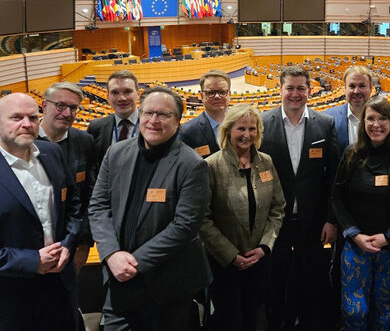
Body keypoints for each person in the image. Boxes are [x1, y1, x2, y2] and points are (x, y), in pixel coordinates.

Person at [89, 86, 212, 330]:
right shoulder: (116, 153)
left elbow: (185, 226)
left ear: (177, 121)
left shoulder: (192, 164)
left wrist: (134, 262)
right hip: (119, 278)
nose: (153, 121)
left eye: (163, 115)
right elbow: (98, 207)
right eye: (148, 113)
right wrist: (112, 254)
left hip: (167, 284)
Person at [332, 96, 390, 331]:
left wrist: (389, 236)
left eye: (383, 118)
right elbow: (337, 198)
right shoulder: (352, 154)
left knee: (383, 310)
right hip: (357, 245)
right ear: (363, 122)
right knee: (354, 310)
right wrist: (354, 234)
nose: (376, 124)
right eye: (370, 118)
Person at [260, 65, 340, 331]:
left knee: (311, 281)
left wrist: (331, 220)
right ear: (280, 89)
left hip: (313, 222)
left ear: (309, 90)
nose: (295, 94)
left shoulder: (325, 124)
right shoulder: (262, 123)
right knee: (275, 281)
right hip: (274, 222)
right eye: (290, 88)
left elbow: (333, 178)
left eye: (301, 88)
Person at [0, 93, 82, 331]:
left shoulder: (52, 153)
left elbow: (73, 207)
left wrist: (67, 244)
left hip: (60, 288)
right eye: (16, 117)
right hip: (11, 297)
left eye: (32, 117)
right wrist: (32, 261)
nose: (26, 124)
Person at [200, 104, 286, 331]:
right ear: (228, 130)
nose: (247, 134)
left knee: (254, 319)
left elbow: (278, 209)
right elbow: (203, 219)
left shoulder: (266, 162)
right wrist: (232, 256)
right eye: (241, 129)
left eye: (252, 128)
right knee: (229, 321)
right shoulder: (211, 165)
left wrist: (264, 247)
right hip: (225, 264)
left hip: (260, 261)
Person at [39, 82, 98, 269]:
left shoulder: (85, 142)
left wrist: (83, 240)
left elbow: (90, 194)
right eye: (60, 105)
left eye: (73, 108)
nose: (67, 113)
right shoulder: (23, 139)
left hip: (72, 243)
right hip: (32, 245)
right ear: (44, 106)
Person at [87, 70, 140, 168]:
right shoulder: (96, 127)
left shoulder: (152, 124)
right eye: (115, 93)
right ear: (108, 98)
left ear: (138, 94)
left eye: (127, 91)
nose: (122, 98)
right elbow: (92, 166)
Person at [181, 69, 231, 158]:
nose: (217, 96)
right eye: (210, 92)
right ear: (202, 96)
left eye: (222, 92)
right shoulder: (187, 131)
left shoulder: (244, 125)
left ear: (229, 94)